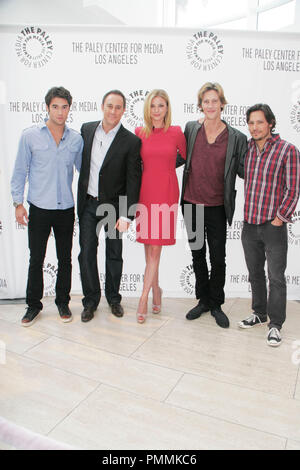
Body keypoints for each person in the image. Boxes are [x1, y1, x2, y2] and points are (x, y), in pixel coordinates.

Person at [11, 86, 83, 326]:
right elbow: (20, 171)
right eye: (55, 107)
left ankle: (63, 302)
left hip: (65, 209)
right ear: (47, 107)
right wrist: (18, 203)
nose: (60, 112)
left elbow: (84, 173)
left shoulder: (76, 139)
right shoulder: (30, 136)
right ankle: (33, 305)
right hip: (39, 207)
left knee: (65, 258)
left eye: (64, 107)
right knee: (36, 258)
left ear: (69, 109)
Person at [180, 82, 248, 328]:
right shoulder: (191, 129)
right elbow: (174, 155)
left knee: (218, 257)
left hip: (218, 207)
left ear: (222, 104)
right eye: (206, 101)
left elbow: (245, 170)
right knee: (198, 255)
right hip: (191, 205)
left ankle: (217, 303)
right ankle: (203, 300)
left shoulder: (236, 138)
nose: (210, 105)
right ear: (200, 105)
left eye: (214, 101)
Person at [238, 104, 300, 347]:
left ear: (271, 123)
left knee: (275, 277)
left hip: (273, 225)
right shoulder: (248, 149)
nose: (254, 127)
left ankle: (275, 325)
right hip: (249, 223)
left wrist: (279, 218)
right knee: (255, 275)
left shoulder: (288, 150)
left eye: (260, 122)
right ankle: (259, 314)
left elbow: (293, 189)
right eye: (251, 123)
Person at [77, 89, 142, 322]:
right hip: (88, 204)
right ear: (102, 106)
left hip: (115, 207)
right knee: (86, 254)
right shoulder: (86, 130)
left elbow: (134, 180)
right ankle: (90, 301)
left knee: (114, 255)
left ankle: (114, 299)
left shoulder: (132, 141)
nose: (113, 111)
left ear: (124, 110)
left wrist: (127, 215)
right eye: (109, 106)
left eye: (118, 107)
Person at [135, 89, 186, 323]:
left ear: (167, 108)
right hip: (145, 192)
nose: (157, 110)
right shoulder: (139, 133)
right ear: (148, 108)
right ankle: (157, 290)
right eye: (153, 105)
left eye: (161, 105)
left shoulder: (176, 133)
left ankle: (143, 298)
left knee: (155, 248)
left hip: (166, 193)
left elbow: (186, 157)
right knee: (148, 247)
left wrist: (166, 171)